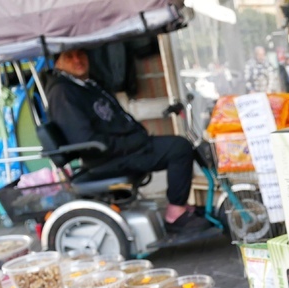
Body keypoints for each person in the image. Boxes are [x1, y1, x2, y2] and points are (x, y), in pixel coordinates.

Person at [47, 48, 208, 233]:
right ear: (58, 62)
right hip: (107, 157)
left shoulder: (88, 84)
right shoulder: (62, 92)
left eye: (81, 54)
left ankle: (180, 206)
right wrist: (132, 143)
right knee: (179, 147)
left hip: (123, 148)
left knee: (177, 145)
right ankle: (175, 214)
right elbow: (84, 138)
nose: (77, 60)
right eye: (69, 57)